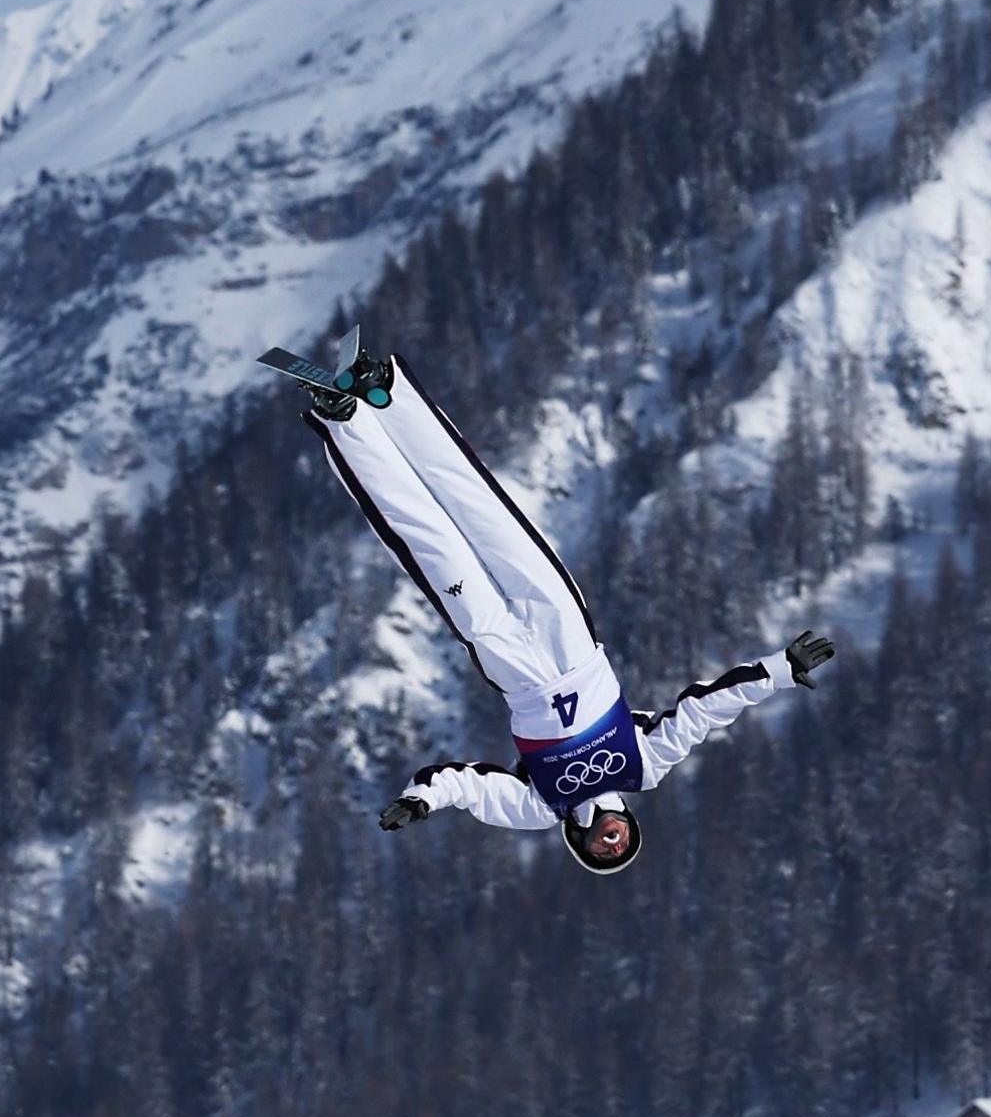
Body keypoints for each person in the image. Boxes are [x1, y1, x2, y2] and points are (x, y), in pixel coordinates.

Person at [266, 339, 832, 874]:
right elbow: (703, 711)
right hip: (569, 637)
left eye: (602, 853)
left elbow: (468, 786)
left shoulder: (540, 807)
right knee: (484, 510)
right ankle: (389, 394)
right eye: (623, 847)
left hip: (514, 669)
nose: (613, 844)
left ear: (579, 841)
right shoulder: (645, 767)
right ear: (632, 828)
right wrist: (779, 671)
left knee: (429, 542)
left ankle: (348, 423)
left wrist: (423, 799)